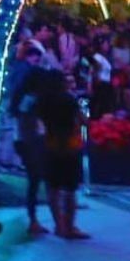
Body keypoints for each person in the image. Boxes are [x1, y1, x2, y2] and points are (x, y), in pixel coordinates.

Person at [35, 70, 88, 240]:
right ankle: (69, 226)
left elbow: (40, 122)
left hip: (50, 145)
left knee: (53, 187)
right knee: (69, 189)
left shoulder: (42, 101)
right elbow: (82, 120)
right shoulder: (69, 100)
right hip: (70, 146)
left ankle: (58, 225)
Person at [8, 42, 54, 237]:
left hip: (27, 141)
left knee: (35, 181)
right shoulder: (30, 101)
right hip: (30, 142)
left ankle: (35, 219)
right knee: (35, 180)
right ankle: (34, 220)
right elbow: (28, 125)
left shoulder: (24, 99)